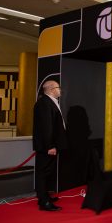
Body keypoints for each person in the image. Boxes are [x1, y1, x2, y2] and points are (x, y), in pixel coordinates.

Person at [32, 79, 67, 211]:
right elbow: (46, 127)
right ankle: (44, 202)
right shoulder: (44, 103)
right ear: (52, 89)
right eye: (58, 88)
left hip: (50, 145)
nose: (60, 90)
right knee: (43, 173)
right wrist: (50, 146)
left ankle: (45, 196)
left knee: (47, 172)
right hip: (47, 147)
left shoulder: (49, 102)